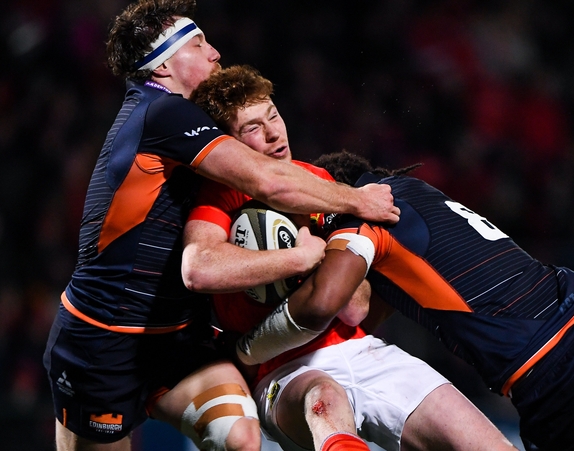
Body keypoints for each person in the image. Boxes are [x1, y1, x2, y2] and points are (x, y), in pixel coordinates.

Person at [235, 150, 574, 451]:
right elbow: (375, 306)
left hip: (561, 372)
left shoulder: (363, 217)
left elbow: (328, 305)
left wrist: (249, 347)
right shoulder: (418, 193)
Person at [42, 1, 399, 450]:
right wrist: (357, 200)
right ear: (163, 66)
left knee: (242, 439)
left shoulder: (177, 117)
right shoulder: (162, 113)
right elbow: (268, 180)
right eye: (198, 44)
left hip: (178, 337)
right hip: (105, 341)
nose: (214, 52)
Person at [184, 64, 519, 451]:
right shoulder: (220, 194)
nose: (273, 133)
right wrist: (300, 259)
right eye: (253, 128)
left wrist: (318, 257)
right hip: (283, 373)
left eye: (273, 116)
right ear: (228, 144)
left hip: (363, 351)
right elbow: (199, 267)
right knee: (325, 399)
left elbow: (355, 306)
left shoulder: (320, 182)